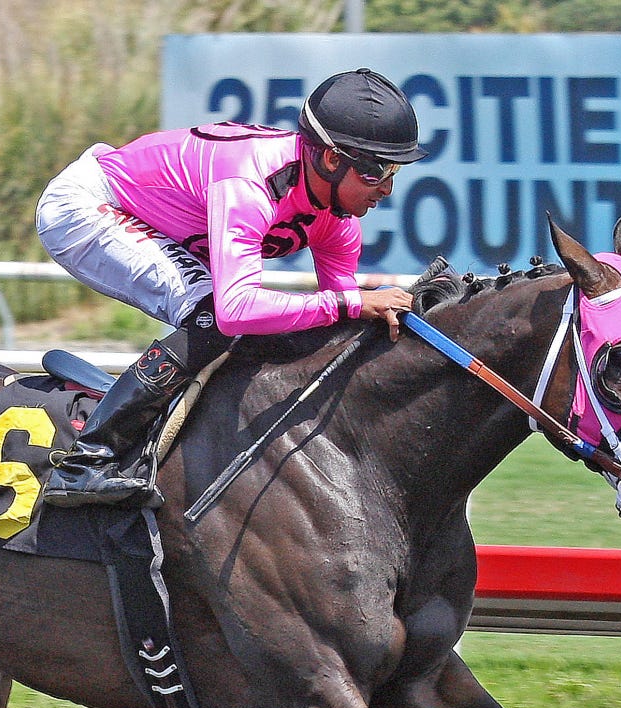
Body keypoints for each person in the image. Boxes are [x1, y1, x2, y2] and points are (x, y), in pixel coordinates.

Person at [35, 67, 426, 507]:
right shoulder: (250, 184)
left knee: (262, 326)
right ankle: (85, 462)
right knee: (214, 314)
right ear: (332, 160)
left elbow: (337, 326)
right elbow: (236, 309)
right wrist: (350, 303)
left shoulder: (337, 221)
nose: (388, 189)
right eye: (378, 171)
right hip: (87, 205)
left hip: (153, 221)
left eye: (396, 170)